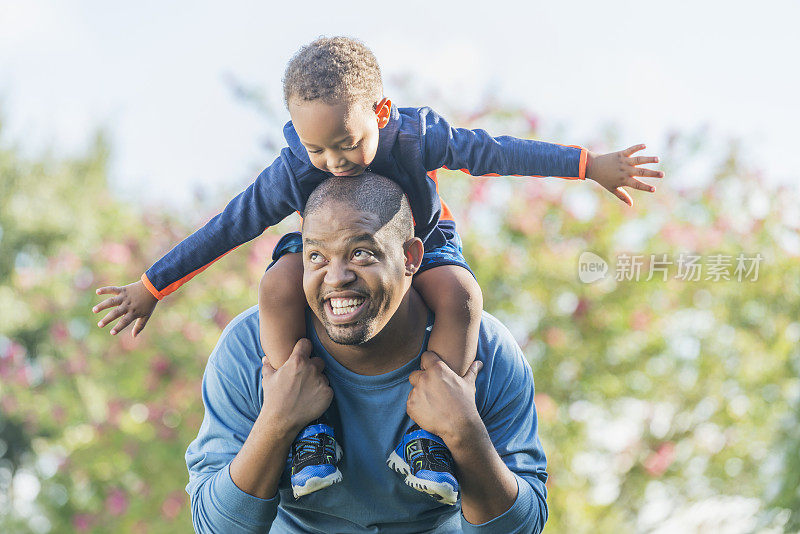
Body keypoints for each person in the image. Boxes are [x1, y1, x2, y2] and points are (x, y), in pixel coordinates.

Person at [95, 36, 662, 501]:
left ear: (381, 113)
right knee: (275, 285)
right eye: (319, 151)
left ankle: (428, 441)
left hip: (423, 242)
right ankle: (307, 432)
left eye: (347, 144)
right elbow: (229, 226)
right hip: (325, 246)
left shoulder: (417, 138)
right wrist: (152, 286)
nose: (334, 164)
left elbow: (497, 152)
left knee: (461, 295)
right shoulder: (295, 168)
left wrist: (589, 165)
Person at [186, 173, 549, 533]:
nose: (336, 277)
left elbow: (525, 526)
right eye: (316, 256)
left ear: (410, 257)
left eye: (361, 253)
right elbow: (215, 527)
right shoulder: (250, 348)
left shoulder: (484, 351)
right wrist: (277, 422)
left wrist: (465, 434)